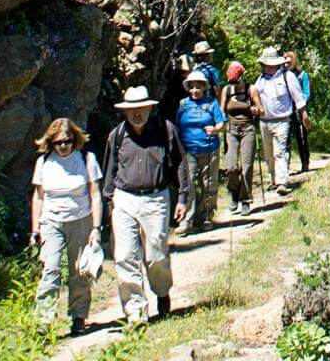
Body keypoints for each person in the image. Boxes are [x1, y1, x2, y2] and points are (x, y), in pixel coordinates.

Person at [102, 86, 189, 325]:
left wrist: (182, 197)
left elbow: (180, 163)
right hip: (124, 198)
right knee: (125, 256)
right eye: (131, 109)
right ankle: (136, 312)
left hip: (156, 198)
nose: (136, 113)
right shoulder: (117, 135)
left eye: (140, 108)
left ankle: (161, 292)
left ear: (149, 108)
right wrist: (108, 202)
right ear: (125, 112)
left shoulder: (165, 129)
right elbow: (110, 170)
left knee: (155, 255)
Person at [30, 118, 103, 335]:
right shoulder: (44, 162)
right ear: (51, 142)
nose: (63, 146)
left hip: (80, 219)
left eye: (67, 141)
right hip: (51, 221)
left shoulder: (87, 159)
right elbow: (38, 197)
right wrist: (35, 229)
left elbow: (95, 194)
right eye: (58, 142)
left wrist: (96, 228)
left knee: (78, 270)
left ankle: (79, 317)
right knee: (50, 268)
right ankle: (43, 321)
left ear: (75, 140)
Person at [252, 48, 309, 197]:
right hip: (264, 122)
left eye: (270, 64)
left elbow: (298, 97)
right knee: (268, 153)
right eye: (266, 64)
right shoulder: (260, 79)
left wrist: (304, 115)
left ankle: (282, 182)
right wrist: (255, 108)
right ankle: (273, 179)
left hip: (282, 121)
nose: (268, 67)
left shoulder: (287, 76)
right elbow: (255, 95)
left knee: (280, 151)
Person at [175, 70, 225, 233]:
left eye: (198, 87)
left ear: (204, 87)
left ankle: (206, 217)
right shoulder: (183, 105)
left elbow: (221, 123)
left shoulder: (211, 103)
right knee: (188, 184)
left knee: (209, 184)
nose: (195, 90)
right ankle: (186, 221)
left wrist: (215, 130)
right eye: (192, 87)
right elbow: (177, 126)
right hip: (188, 151)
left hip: (209, 149)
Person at [219, 62, 261, 215]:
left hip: (247, 129)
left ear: (242, 77)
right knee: (231, 166)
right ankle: (234, 192)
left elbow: (261, 110)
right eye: (232, 81)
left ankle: (245, 200)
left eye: (236, 81)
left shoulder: (251, 89)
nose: (234, 85)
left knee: (247, 166)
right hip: (231, 130)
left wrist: (255, 110)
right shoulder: (226, 90)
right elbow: (221, 111)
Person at [284, 51, 310, 173]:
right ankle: (285, 165)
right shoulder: (282, 76)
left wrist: (301, 104)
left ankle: (305, 162)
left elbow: (306, 92)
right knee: (286, 137)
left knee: (301, 136)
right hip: (287, 109)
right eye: (285, 62)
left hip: (299, 108)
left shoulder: (302, 75)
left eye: (289, 62)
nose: (287, 65)